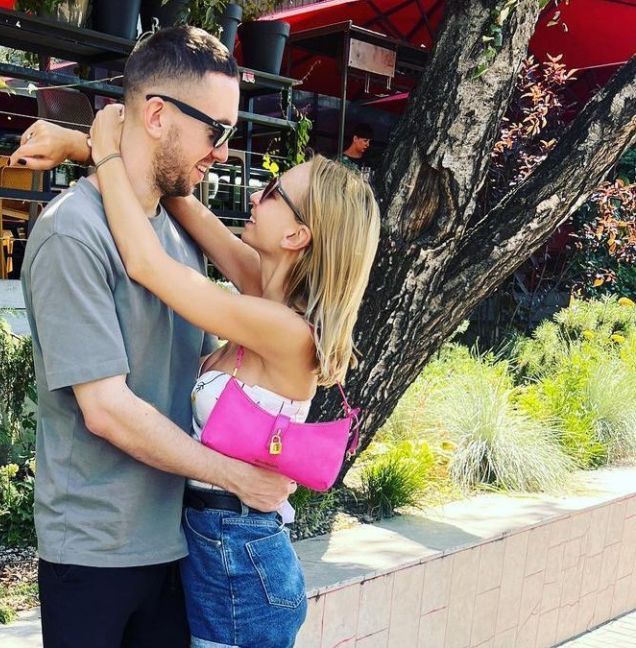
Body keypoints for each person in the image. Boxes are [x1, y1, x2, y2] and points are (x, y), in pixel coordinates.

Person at [21, 104, 381, 646]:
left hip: (239, 562)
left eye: (273, 192)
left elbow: (146, 263)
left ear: (296, 236)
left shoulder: (285, 329)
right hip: (213, 546)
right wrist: (83, 145)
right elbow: (180, 199)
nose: (255, 194)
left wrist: (107, 149)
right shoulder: (264, 289)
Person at [15, 26, 297, 648]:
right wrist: (237, 477)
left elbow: (188, 362)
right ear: (158, 115)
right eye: (216, 131)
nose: (223, 152)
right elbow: (107, 410)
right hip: (97, 549)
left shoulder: (171, 229)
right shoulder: (72, 233)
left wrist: (92, 146)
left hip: (178, 543)